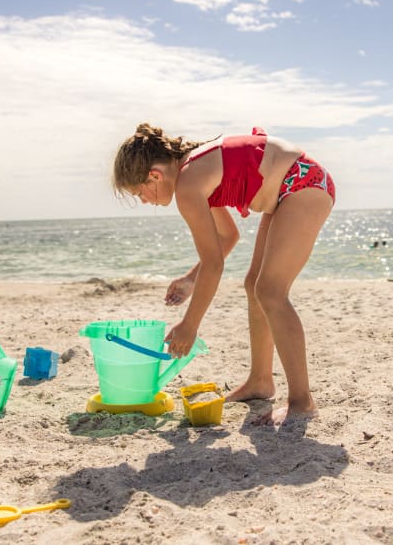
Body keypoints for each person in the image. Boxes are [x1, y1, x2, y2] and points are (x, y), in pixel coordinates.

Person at [113, 124, 336, 425]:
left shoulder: (188, 186)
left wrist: (189, 326)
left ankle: (302, 401)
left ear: (154, 175)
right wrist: (191, 279)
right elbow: (228, 237)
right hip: (290, 188)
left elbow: (215, 263)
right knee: (254, 286)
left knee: (271, 291)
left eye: (139, 192)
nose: (143, 200)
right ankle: (260, 381)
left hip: (303, 184)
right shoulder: (192, 175)